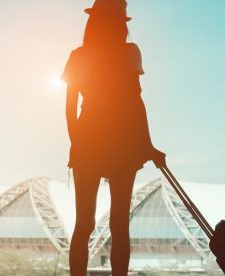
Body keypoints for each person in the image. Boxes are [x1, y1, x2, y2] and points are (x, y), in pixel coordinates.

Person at [61, 0, 165, 275]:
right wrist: (147, 144)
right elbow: (135, 101)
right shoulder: (129, 52)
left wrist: (77, 143)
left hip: (89, 138)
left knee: (83, 224)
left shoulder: (79, 55)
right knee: (119, 224)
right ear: (120, 22)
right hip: (122, 140)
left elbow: (70, 109)